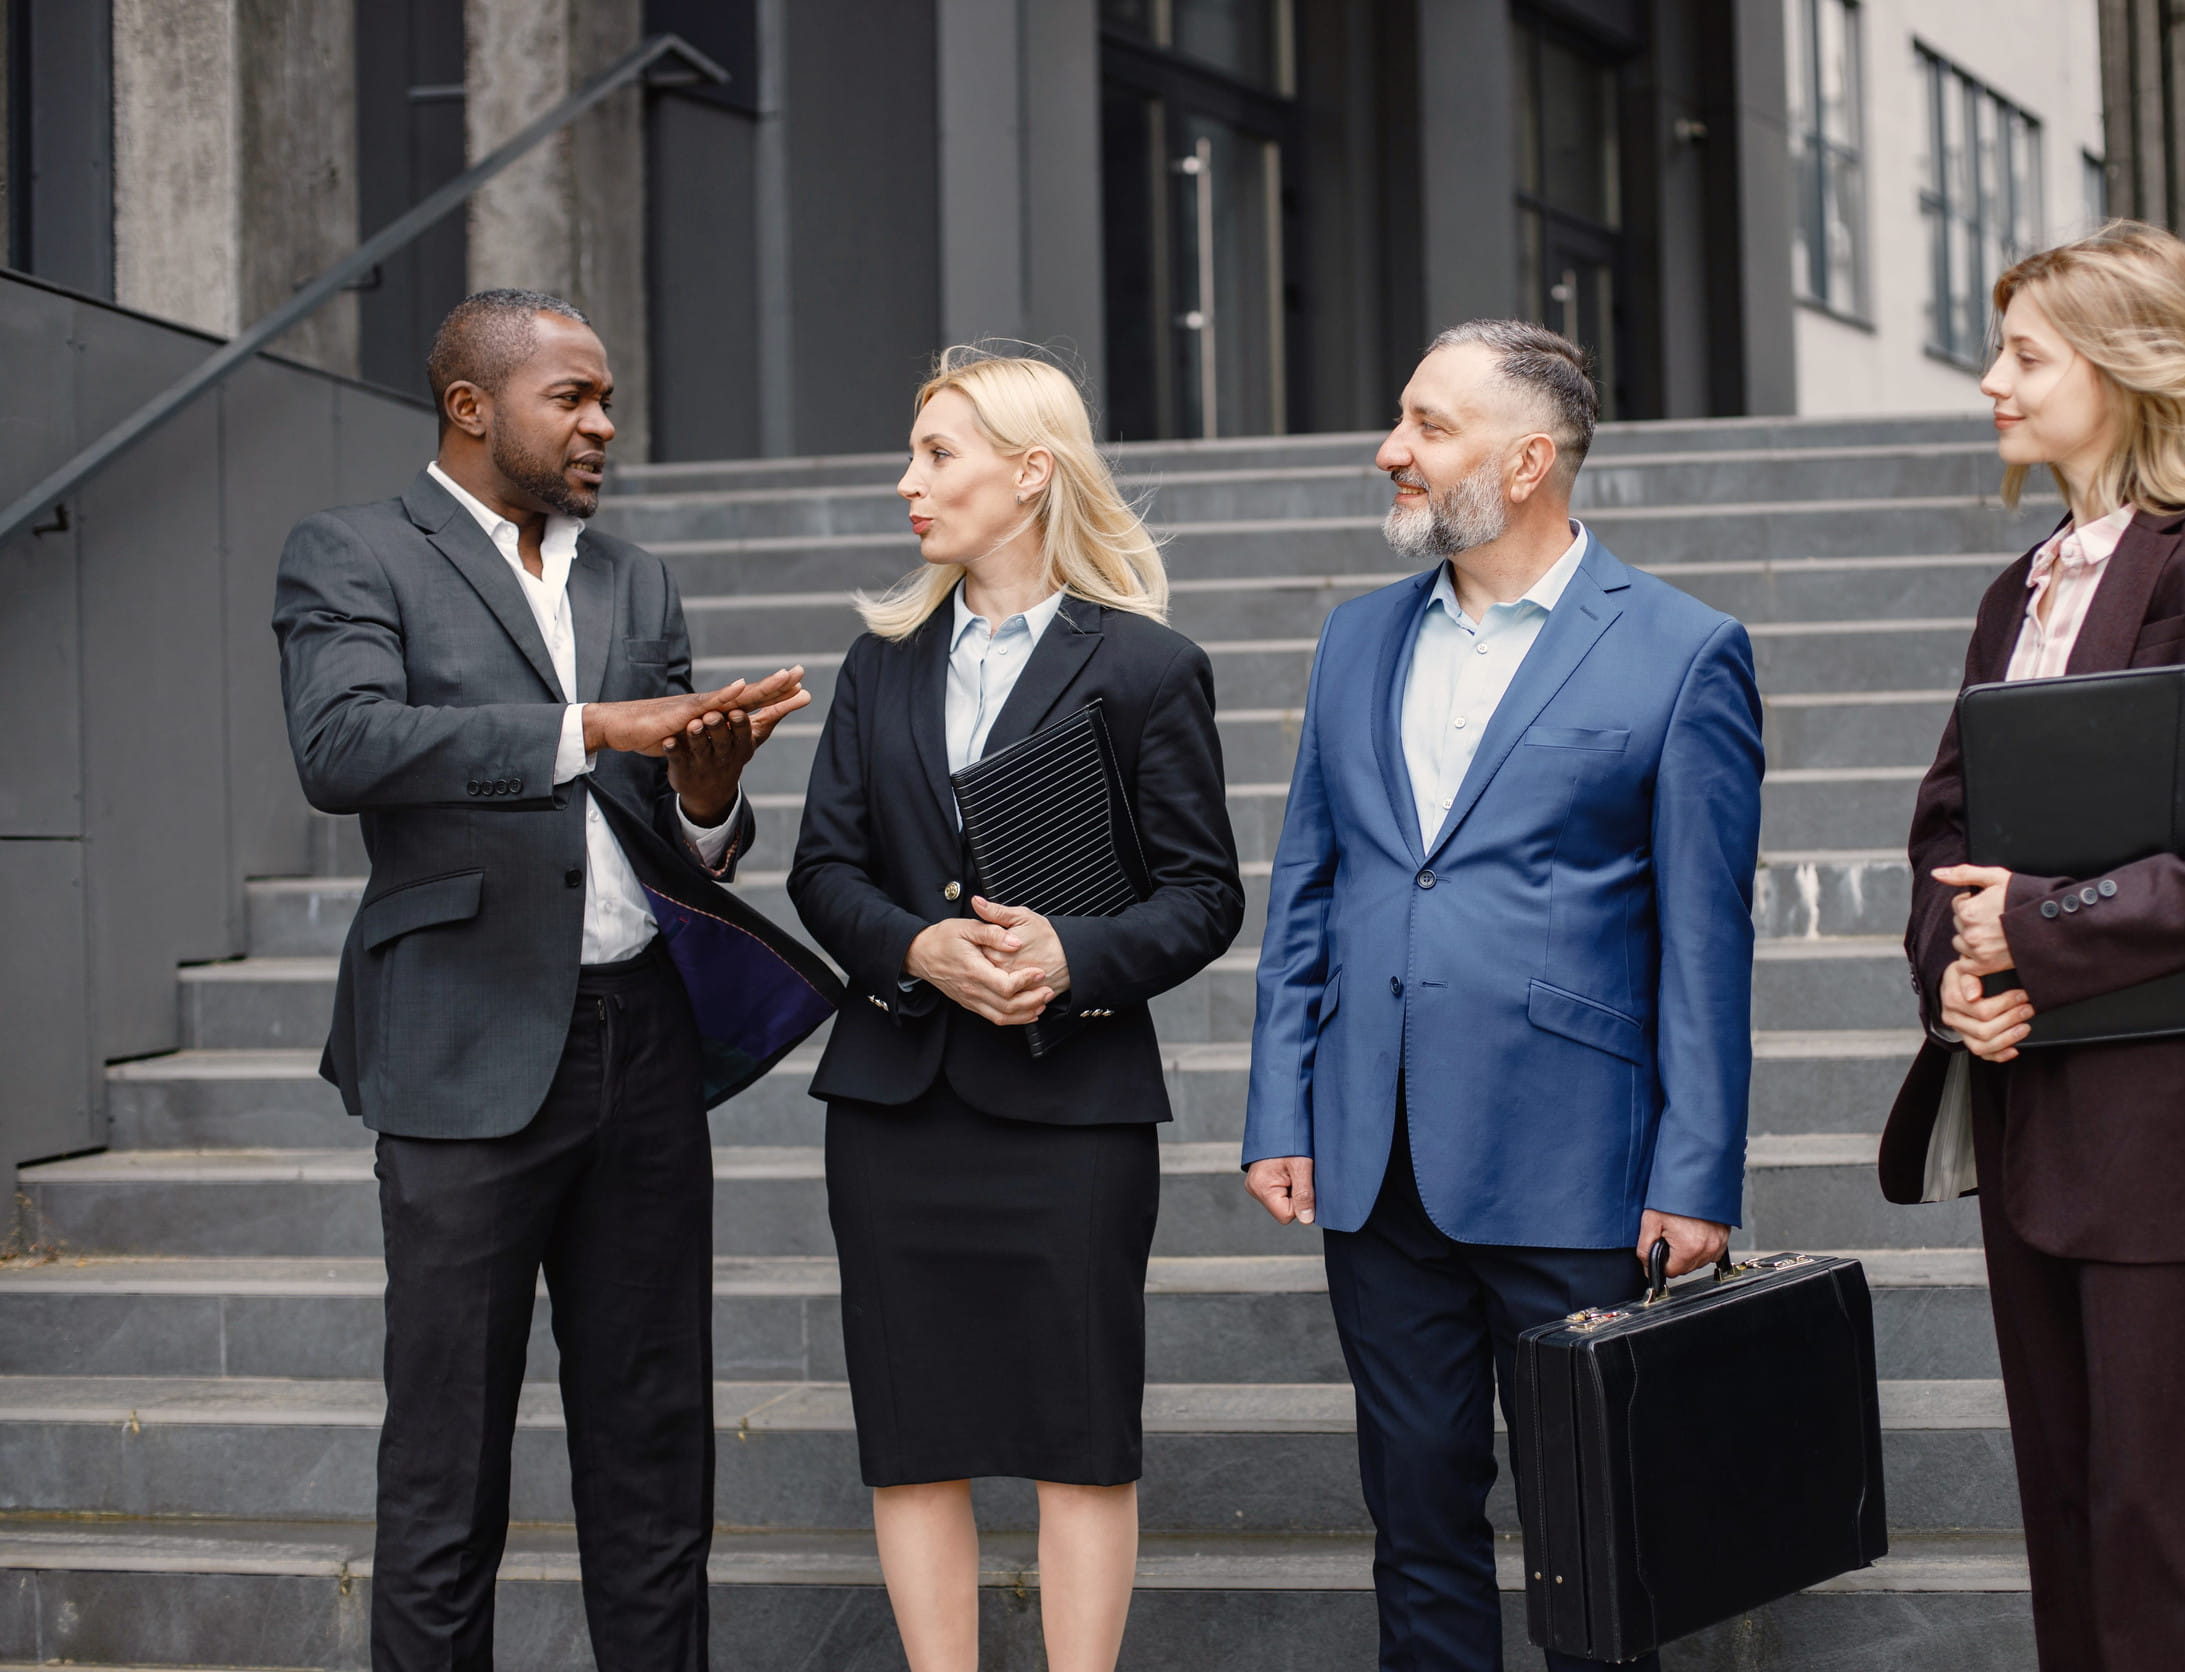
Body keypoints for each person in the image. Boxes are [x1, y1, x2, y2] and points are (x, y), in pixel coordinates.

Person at [272, 289, 822, 1670]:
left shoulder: (635, 579)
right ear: (473, 407)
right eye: (571, 397)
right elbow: (343, 747)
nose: (603, 423)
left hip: (642, 1042)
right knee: (445, 1466)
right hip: (462, 1044)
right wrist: (589, 725)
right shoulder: (351, 554)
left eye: (606, 397)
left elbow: (681, 828)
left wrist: (704, 796)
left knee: (653, 1451)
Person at [1878, 222, 2185, 1672]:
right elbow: (1944, 835)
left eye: (2026, 355)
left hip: (2169, 1119)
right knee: (2073, 1515)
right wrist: (1956, 976)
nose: (1992, 383)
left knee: (2166, 1540)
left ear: (2127, 366)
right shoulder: (2017, 587)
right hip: (2032, 1106)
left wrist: (2043, 928)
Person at [1240, 320, 1764, 1672]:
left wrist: (1696, 1174)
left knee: (1597, 1533)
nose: (1390, 450)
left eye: (1427, 425)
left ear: (1527, 460)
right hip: (1377, 1159)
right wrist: (1279, 1107)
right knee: (1414, 1520)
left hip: (1576, 1163)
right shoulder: (1357, 641)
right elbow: (1311, 886)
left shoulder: (1683, 651)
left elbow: (1708, 941)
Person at [785, 347, 1243, 1672]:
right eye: (914, 455)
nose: (907, 482)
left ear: (1030, 472)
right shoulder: (880, 666)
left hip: (1071, 1108)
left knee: (1079, 1433)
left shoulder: (1150, 668)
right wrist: (919, 948)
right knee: (912, 1434)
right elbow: (823, 870)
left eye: (937, 456)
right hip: (896, 1105)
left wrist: (1073, 955)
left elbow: (1204, 898)